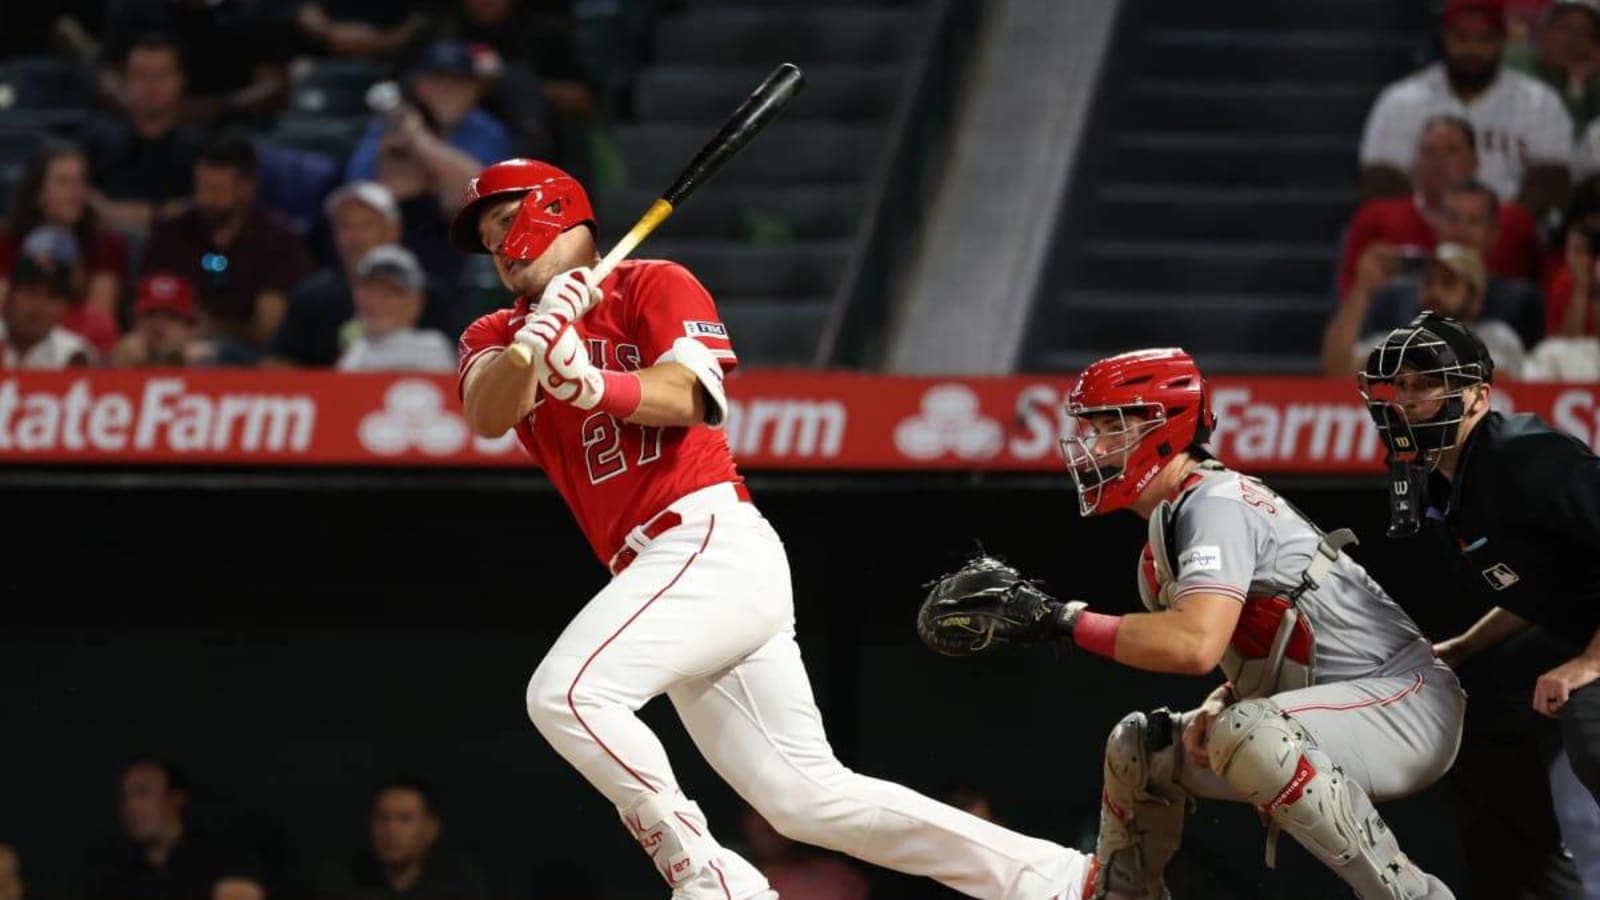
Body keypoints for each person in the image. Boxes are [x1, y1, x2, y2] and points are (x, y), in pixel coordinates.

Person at [452, 157, 1092, 899]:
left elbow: (694, 394)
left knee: (566, 696)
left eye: (504, 221)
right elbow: (486, 411)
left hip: (705, 542)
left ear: (554, 208)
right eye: (485, 237)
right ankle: (1061, 880)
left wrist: (596, 383)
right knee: (809, 798)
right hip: (659, 577)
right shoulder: (494, 330)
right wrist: (538, 340)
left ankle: (709, 877)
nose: (498, 246)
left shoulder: (651, 283)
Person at [916, 348, 1466, 899]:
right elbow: (1264, 642)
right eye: (1093, 428)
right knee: (1140, 747)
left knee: (1251, 734)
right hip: (1333, 706)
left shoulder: (1214, 501)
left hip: (1407, 702)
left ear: (1166, 427)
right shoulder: (1164, 538)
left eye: (1114, 426)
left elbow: (1194, 644)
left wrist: (1062, 621)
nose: (1096, 446)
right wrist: (1223, 698)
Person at [1359, 310, 1600, 812]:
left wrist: (1589, 664)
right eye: (1401, 385)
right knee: (1474, 698)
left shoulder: (1529, 459)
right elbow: (1536, 583)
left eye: (1427, 384)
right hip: (1578, 627)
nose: (1406, 400)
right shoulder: (1447, 483)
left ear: (1480, 397)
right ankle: (1530, 885)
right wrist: (1466, 646)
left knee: (1590, 716)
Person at [1360, 0, 1572, 218]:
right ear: (1444, 37)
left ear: (1502, 41)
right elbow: (1382, 175)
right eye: (1461, 37)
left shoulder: (1540, 102)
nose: (1472, 49)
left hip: (1511, 237)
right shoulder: (1401, 99)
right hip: (1420, 232)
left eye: (1484, 39)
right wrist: (1424, 227)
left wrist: (1503, 230)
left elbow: (1552, 178)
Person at [141, 134, 314, 362]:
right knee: (130, 350)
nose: (205, 199)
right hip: (170, 340)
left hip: (242, 354)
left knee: (205, 355)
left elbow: (268, 330)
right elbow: (143, 302)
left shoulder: (277, 241)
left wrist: (213, 328)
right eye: (201, 187)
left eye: (217, 189)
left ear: (247, 188)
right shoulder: (172, 231)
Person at [1338, 116, 1540, 292]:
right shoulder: (1375, 218)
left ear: (1474, 162)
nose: (1438, 161)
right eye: (1428, 151)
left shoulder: (1513, 222)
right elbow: (1347, 299)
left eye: (1451, 151)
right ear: (1414, 162)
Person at [1324, 242, 1528, 376]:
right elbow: (1336, 370)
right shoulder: (1398, 341)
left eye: (1449, 282)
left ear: (1476, 298)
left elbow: (1501, 385)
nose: (1435, 290)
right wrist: (1363, 288)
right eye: (1428, 281)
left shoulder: (1496, 336)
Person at [87, 759, 266, 900]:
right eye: (125, 797)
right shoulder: (116, 877)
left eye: (143, 793)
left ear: (175, 798)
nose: (131, 806)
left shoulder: (225, 857)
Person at [83, 33, 206, 236]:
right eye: (140, 75)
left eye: (161, 75)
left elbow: (206, 205)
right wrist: (162, 214)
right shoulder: (97, 142)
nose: (151, 85)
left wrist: (116, 213)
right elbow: (81, 196)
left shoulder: (202, 149)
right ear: (125, 81)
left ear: (180, 80)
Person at [0, 141, 131, 324]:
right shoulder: (7, 241)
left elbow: (99, 319)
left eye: (80, 182)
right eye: (63, 183)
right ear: (37, 194)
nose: (74, 193)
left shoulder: (107, 244)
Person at [315, 779, 487, 900]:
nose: (391, 830)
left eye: (405, 819)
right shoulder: (341, 883)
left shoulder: (458, 885)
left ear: (431, 829)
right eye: (382, 818)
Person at [337, 245, 456, 372]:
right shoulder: (353, 356)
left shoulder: (432, 348)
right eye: (369, 292)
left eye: (388, 294)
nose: (375, 302)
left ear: (415, 302)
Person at [0, 254, 95, 369]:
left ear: (64, 308)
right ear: (9, 297)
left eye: (51, 297)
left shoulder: (72, 354)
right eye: (31, 293)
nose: (39, 306)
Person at [110, 273, 202, 367]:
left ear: (188, 327)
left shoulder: (203, 363)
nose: (158, 324)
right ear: (136, 321)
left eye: (171, 316)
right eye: (151, 314)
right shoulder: (121, 359)